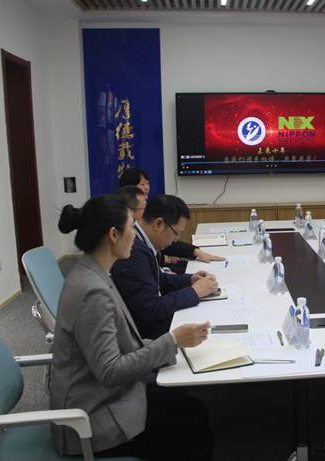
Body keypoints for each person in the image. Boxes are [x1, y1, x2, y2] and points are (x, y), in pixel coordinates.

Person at [52, 195, 213, 460]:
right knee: (192, 427)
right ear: (113, 235)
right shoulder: (92, 291)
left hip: (110, 397)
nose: (135, 236)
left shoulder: (94, 273)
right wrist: (172, 341)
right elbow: (111, 371)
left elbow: (122, 347)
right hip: (94, 421)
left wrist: (172, 344)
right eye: (130, 228)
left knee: (192, 410)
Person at [111, 194, 219, 339]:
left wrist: (190, 280)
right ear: (158, 224)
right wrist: (194, 292)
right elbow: (151, 309)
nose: (175, 240)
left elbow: (158, 279)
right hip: (150, 336)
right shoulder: (133, 252)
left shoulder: (143, 243)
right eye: (176, 233)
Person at [119, 167, 224, 268]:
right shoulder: (123, 221)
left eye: (148, 183)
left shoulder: (146, 210)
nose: (147, 187)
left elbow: (159, 240)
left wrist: (193, 251)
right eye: (142, 184)